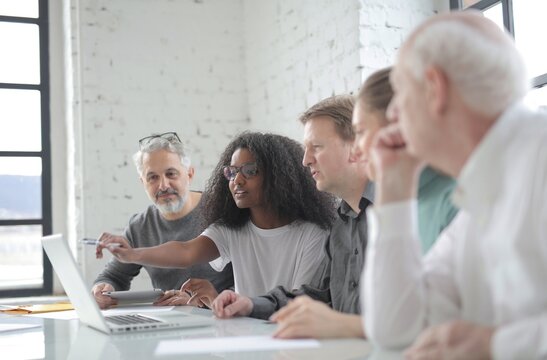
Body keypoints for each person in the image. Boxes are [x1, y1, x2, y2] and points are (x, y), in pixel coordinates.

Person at [362, 11, 547, 359]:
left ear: (435, 89)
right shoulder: (475, 203)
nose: (392, 115)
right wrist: (395, 188)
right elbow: (395, 330)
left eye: (401, 91)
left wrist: (494, 346)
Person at [212, 88, 457, 339]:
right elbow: (321, 296)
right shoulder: (341, 223)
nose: (306, 160)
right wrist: (252, 304)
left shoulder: (408, 210)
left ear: (356, 146)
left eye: (316, 147)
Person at [97, 132, 335, 305]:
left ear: (279, 177)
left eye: (250, 171)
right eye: (231, 172)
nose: (237, 181)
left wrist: (222, 301)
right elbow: (185, 252)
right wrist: (131, 254)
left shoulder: (313, 234)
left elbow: (295, 305)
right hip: (240, 334)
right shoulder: (232, 228)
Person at [92, 132, 234, 309]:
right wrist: (103, 290)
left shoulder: (222, 212)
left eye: (171, 174)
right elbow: (114, 277)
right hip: (167, 324)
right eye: (152, 177)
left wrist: (202, 302)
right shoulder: (140, 226)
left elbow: (247, 283)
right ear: (142, 182)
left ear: (189, 174)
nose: (163, 185)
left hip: (221, 321)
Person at [352, 66, 458, 253]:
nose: (355, 149)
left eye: (361, 132)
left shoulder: (453, 205)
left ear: (396, 125)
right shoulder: (403, 205)